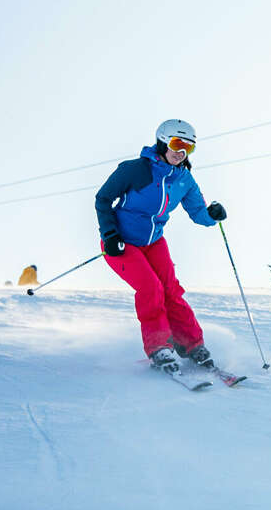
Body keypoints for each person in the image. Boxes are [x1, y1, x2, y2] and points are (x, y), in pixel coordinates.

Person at [94, 119, 227, 374]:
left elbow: (198, 212)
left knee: (171, 290)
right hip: (121, 242)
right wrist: (109, 234)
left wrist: (213, 215)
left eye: (189, 148)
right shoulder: (135, 170)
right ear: (163, 142)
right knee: (151, 288)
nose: (181, 152)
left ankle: (191, 345)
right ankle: (159, 348)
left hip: (154, 242)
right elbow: (103, 198)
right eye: (177, 144)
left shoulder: (184, 179)